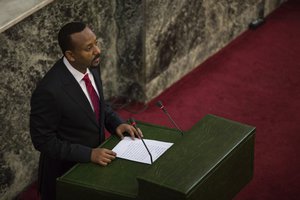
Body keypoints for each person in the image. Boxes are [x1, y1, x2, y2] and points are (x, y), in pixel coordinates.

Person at [30, 21, 142, 200]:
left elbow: (98, 103)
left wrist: (116, 123)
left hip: (96, 167)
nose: (97, 50)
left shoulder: (92, 65)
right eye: (89, 48)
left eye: (96, 43)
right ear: (71, 55)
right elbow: (43, 140)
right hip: (66, 176)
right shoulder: (49, 90)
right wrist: (88, 154)